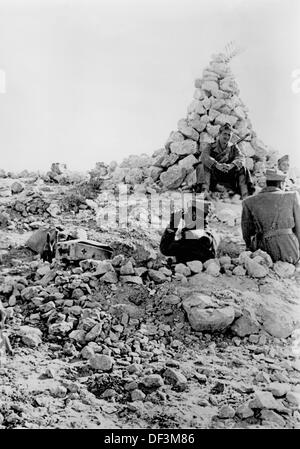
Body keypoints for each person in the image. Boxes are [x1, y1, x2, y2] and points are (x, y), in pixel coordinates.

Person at [241, 168, 300, 264]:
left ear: (266, 183)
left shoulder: (248, 201)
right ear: (281, 183)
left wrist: (250, 249)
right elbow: (299, 227)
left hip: (264, 253)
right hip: (290, 252)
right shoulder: (292, 196)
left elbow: (247, 232)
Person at [195, 123, 255, 199]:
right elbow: (204, 156)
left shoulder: (233, 147)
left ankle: (245, 195)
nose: (227, 137)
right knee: (201, 165)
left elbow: (241, 158)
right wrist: (217, 165)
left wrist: (232, 165)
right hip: (214, 176)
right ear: (219, 134)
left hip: (228, 175)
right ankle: (204, 192)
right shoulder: (210, 146)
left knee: (243, 168)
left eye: (229, 135)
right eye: (225, 134)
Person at [160, 198, 219, 263]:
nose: (185, 216)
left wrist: (173, 224)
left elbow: (165, 249)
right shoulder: (211, 233)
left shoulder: (192, 235)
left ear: (194, 215)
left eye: (188, 213)